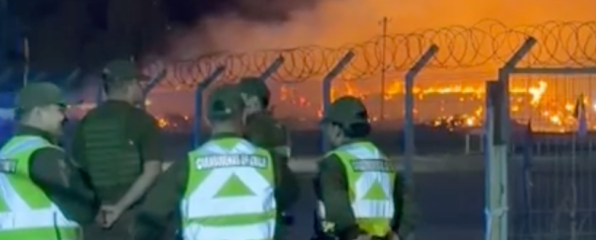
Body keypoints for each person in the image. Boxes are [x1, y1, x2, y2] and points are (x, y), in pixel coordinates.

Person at [134, 85, 299, 240]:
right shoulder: (268, 161)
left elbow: (151, 217)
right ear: (243, 116)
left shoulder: (188, 165)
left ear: (207, 119)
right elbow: (290, 193)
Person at [72, 59, 164, 240]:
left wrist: (96, 207)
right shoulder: (141, 120)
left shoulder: (87, 121)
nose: (141, 88)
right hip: (132, 217)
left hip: (97, 217)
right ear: (129, 86)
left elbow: (77, 169)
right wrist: (119, 207)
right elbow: (152, 171)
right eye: (139, 83)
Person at [0, 82, 98, 239]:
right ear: (38, 112)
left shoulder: (7, 152)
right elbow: (82, 210)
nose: (64, 117)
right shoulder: (45, 153)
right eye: (60, 110)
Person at [314, 96, 411, 240]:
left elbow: (336, 206)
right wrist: (399, 234)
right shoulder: (385, 161)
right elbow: (407, 205)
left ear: (338, 129)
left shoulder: (335, 162)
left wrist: (352, 234)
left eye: (328, 127)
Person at [238, 76, 293, 238]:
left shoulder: (252, 128)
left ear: (253, 101)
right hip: (274, 205)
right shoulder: (279, 127)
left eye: (240, 99)